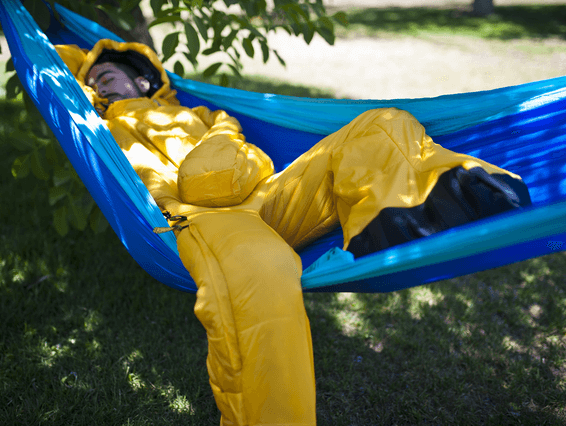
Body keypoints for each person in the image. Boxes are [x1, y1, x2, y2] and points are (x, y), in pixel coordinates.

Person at [55, 39, 531, 426]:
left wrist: (220, 164)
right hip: (200, 218)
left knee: (381, 124)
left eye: (106, 76)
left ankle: (422, 206)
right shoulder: (97, 126)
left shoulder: (203, 115)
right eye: (91, 83)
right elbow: (51, 63)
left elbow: (240, 150)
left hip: (264, 194)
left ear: (142, 79)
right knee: (260, 277)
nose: (98, 85)